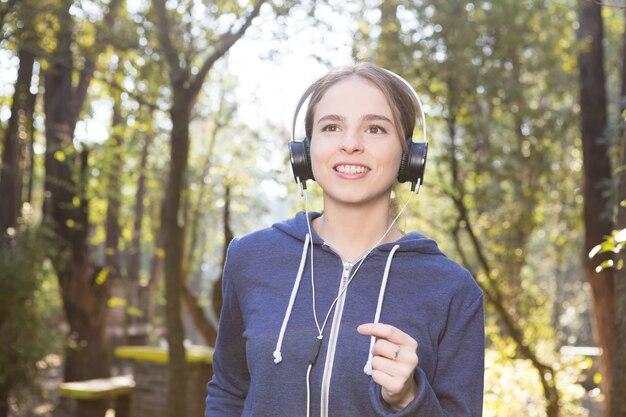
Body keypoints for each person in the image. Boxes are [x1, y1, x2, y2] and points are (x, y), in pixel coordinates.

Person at [205, 62, 484, 417]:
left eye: (375, 128)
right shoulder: (250, 258)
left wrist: (409, 399)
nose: (351, 144)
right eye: (332, 126)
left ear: (410, 157)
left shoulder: (452, 290)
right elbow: (228, 391)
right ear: (304, 153)